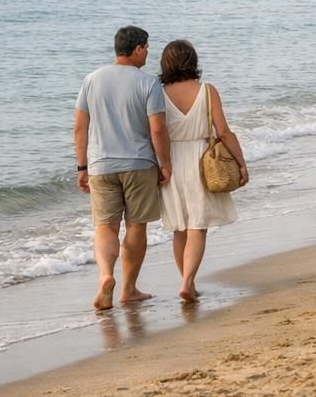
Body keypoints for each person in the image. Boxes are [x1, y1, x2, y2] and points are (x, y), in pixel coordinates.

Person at [74, 25, 171, 311]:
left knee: (105, 227)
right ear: (138, 48)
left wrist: (82, 166)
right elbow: (158, 130)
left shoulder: (92, 80)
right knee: (136, 225)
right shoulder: (148, 83)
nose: (148, 53)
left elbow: (80, 127)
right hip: (139, 163)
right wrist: (165, 164)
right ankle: (128, 289)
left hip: (100, 165)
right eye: (147, 48)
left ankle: (105, 276)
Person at [158, 39, 247, 303]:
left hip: (171, 159)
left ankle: (188, 282)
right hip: (201, 159)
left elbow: (155, 130)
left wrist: (159, 162)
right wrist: (241, 162)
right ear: (193, 61)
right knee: (198, 226)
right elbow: (224, 132)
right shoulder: (207, 91)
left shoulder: (158, 93)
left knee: (179, 227)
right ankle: (188, 283)